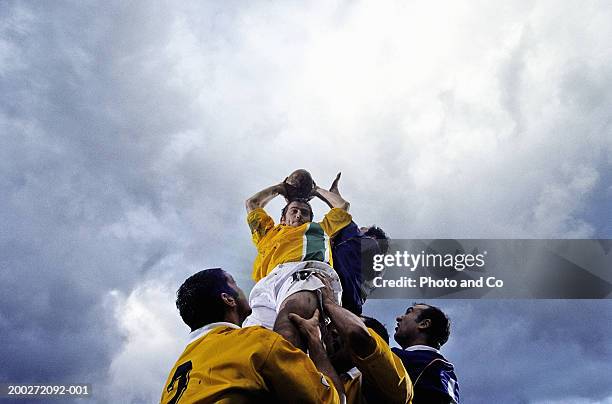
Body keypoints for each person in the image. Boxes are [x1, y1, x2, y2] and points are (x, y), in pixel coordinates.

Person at [160, 268, 343, 403]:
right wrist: (316, 342)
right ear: (228, 299)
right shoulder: (255, 342)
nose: (241, 289)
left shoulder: (174, 376)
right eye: (235, 283)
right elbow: (328, 401)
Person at [242, 173, 352, 351]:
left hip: (303, 273)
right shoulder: (268, 231)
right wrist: (281, 187)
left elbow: (342, 206)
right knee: (252, 342)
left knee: (289, 329)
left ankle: (290, 375)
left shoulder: (320, 229)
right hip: (267, 285)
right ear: (283, 218)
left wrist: (316, 191)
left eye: (305, 212)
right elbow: (252, 203)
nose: (299, 215)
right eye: (294, 211)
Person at [316, 273, 412, 404]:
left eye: (340, 327)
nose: (333, 332)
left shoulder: (396, 386)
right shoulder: (310, 364)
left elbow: (357, 334)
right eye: (332, 326)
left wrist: (329, 302)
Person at [326, 173, 389, 314]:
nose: (360, 229)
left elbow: (341, 213)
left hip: (339, 290)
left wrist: (329, 192)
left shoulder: (367, 242)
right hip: (352, 306)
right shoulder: (377, 269)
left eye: (363, 229)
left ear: (372, 235)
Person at [392, 303, 460, 404]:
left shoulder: (408, 360)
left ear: (424, 324)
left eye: (409, 312)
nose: (399, 318)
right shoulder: (444, 369)